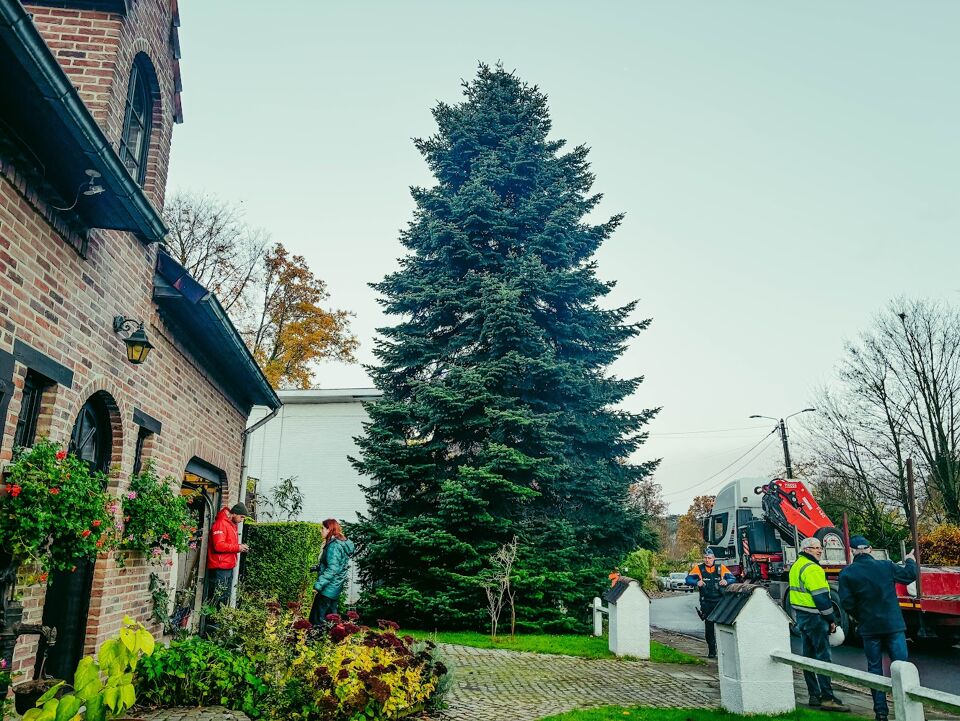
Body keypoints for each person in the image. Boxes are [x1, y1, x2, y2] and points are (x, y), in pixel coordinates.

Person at [838, 536, 918, 721]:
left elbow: (847, 604)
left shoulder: (847, 574)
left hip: (869, 628)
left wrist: (862, 617)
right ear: (870, 549)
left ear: (852, 551)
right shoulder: (886, 566)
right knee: (902, 668)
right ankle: (907, 711)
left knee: (875, 669)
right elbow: (909, 576)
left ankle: (881, 713)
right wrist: (910, 560)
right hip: (893, 626)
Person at [789, 537, 849, 712]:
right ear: (806, 549)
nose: (819, 550)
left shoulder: (797, 565)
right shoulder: (812, 568)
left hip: (803, 616)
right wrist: (832, 620)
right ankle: (827, 697)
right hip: (816, 618)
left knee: (808, 657)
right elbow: (821, 598)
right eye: (816, 548)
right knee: (823, 658)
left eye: (820, 547)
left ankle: (814, 695)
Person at [204, 502, 250, 634]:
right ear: (234, 513)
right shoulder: (221, 524)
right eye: (241, 517)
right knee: (217, 597)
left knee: (224, 597)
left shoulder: (231, 524)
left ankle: (219, 626)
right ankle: (211, 628)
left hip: (227, 567)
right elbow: (219, 546)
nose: (242, 520)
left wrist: (239, 546)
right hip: (219, 567)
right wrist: (238, 547)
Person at [685, 547, 736, 658]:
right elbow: (687, 580)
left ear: (714, 558)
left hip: (719, 602)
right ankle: (712, 651)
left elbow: (733, 578)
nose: (707, 560)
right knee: (709, 627)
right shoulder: (699, 568)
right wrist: (696, 582)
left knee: (722, 626)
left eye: (709, 558)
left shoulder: (720, 568)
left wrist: (726, 581)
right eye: (705, 558)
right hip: (706, 602)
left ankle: (723, 651)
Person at [308, 518, 356, 626]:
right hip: (335, 587)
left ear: (329, 529)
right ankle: (332, 641)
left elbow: (332, 569)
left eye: (323, 528)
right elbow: (334, 565)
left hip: (327, 589)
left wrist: (318, 585)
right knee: (332, 620)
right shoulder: (338, 544)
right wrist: (316, 568)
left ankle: (315, 641)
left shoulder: (333, 546)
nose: (321, 531)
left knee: (317, 620)